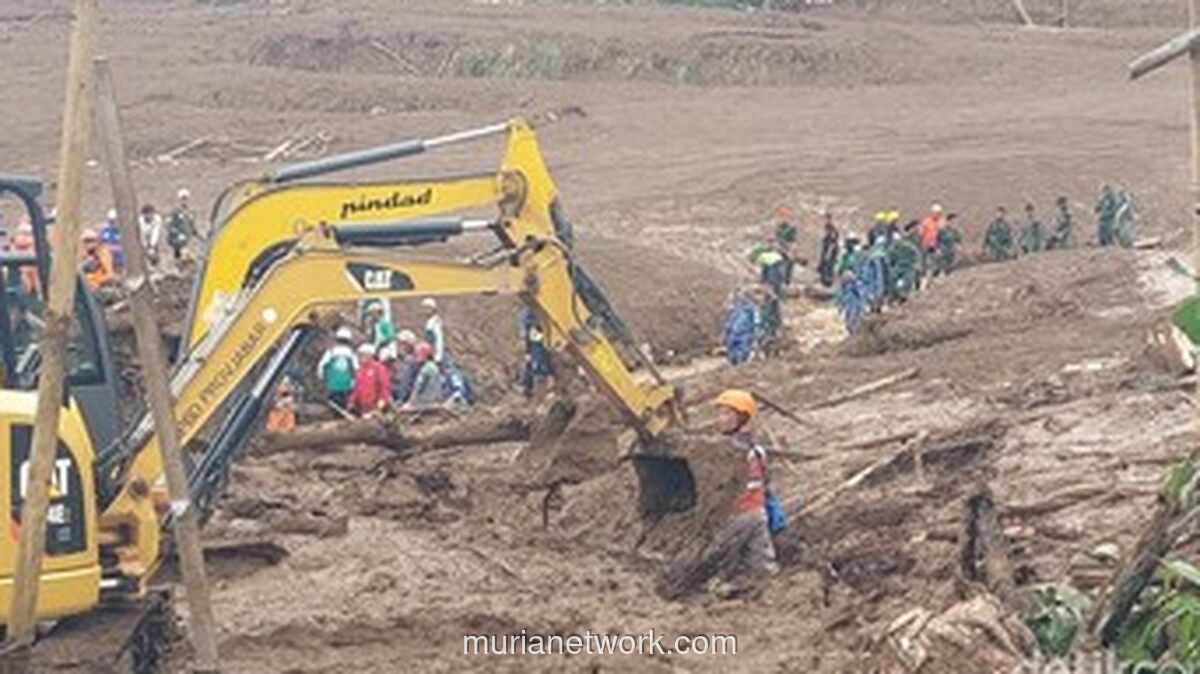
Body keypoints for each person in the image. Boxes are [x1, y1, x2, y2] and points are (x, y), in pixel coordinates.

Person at [701, 390, 779, 589]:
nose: (721, 419)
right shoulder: (757, 448)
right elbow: (766, 481)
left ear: (742, 417)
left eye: (727, 414)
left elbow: (716, 486)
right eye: (720, 413)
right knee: (763, 566)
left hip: (738, 515)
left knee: (715, 562)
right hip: (757, 513)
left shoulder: (730, 450)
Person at [317, 326, 358, 410]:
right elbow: (356, 369)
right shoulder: (351, 353)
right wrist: (354, 382)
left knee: (334, 407)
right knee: (344, 407)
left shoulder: (330, 352)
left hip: (332, 385)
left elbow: (321, 366)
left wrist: (322, 378)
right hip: (347, 385)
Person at [520, 307, 555, 398]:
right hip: (536, 336)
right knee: (540, 361)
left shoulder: (528, 315)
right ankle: (530, 387)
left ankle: (532, 387)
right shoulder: (528, 315)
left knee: (540, 361)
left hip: (536, 338)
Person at [349, 342, 391, 416]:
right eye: (359, 355)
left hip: (375, 407)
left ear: (369, 355)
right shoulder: (360, 370)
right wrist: (352, 401)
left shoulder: (378, 368)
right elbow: (357, 388)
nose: (360, 357)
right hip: (363, 408)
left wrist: (382, 402)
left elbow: (384, 386)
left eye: (362, 355)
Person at [723, 287, 760, 366]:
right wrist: (727, 330)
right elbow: (729, 321)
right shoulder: (735, 309)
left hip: (744, 334)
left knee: (742, 352)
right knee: (732, 351)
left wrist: (755, 334)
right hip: (733, 334)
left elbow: (756, 323)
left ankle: (740, 365)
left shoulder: (751, 310)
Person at [405, 341, 444, 406]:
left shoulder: (425, 369)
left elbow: (418, 386)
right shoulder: (435, 367)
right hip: (435, 400)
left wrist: (410, 402)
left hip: (424, 401)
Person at [390, 330, 421, 403]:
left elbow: (405, 381)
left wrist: (400, 400)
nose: (398, 346)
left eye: (402, 344)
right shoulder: (400, 359)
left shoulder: (410, 360)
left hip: (403, 397)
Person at [167, 188, 196, 262]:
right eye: (182, 199)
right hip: (178, 240)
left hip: (188, 239)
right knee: (180, 256)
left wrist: (194, 232)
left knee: (188, 257)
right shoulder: (175, 212)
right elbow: (169, 225)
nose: (184, 201)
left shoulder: (190, 212)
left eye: (186, 199)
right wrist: (177, 233)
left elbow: (192, 225)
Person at [931, 213, 963, 278]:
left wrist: (959, 246)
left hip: (951, 251)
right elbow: (935, 239)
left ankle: (946, 273)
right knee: (941, 263)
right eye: (953, 221)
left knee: (950, 263)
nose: (954, 223)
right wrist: (936, 249)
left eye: (956, 222)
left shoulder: (956, 232)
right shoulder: (942, 230)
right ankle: (938, 273)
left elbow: (958, 240)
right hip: (942, 250)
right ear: (948, 221)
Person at [919, 203, 945, 271]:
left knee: (937, 259)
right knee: (926, 261)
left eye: (939, 213)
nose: (937, 215)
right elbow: (921, 233)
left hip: (937, 245)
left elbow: (943, 233)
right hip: (926, 244)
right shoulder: (926, 221)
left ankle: (937, 272)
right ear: (932, 213)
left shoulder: (941, 221)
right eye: (935, 213)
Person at [817, 213, 840, 288]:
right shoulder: (829, 228)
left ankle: (828, 281)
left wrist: (828, 253)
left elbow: (833, 242)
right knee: (825, 265)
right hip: (828, 250)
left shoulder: (832, 229)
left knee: (828, 265)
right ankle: (825, 280)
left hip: (830, 251)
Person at [98, 209, 124, 274]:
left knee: (121, 252)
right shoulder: (104, 229)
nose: (113, 223)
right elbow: (100, 241)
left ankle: (119, 268)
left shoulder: (121, 230)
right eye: (111, 221)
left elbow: (123, 242)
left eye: (114, 221)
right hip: (106, 249)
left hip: (119, 249)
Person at [421, 297, 446, 364]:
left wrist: (438, 357)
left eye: (427, 308)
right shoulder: (430, 321)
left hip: (435, 356)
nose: (425, 311)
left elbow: (438, 339)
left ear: (433, 309)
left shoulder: (435, 322)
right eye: (424, 308)